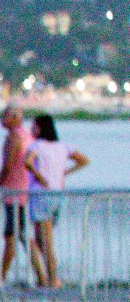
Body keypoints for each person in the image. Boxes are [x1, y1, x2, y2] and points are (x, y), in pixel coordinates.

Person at [26, 113, 87, 290]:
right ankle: (45, 277)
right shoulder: (63, 147)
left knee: (45, 240)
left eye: (34, 126)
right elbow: (83, 160)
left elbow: (28, 162)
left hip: (40, 195)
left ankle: (52, 279)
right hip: (57, 194)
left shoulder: (37, 146)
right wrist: (64, 172)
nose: (31, 129)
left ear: (40, 128)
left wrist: (39, 177)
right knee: (41, 239)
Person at [0, 103, 35, 285]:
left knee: (12, 235)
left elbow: (7, 166)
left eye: (5, 115)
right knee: (21, 234)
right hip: (24, 190)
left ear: (15, 118)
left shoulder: (15, 137)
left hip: (14, 192)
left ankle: (2, 277)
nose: (2, 119)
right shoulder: (27, 136)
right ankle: (42, 276)